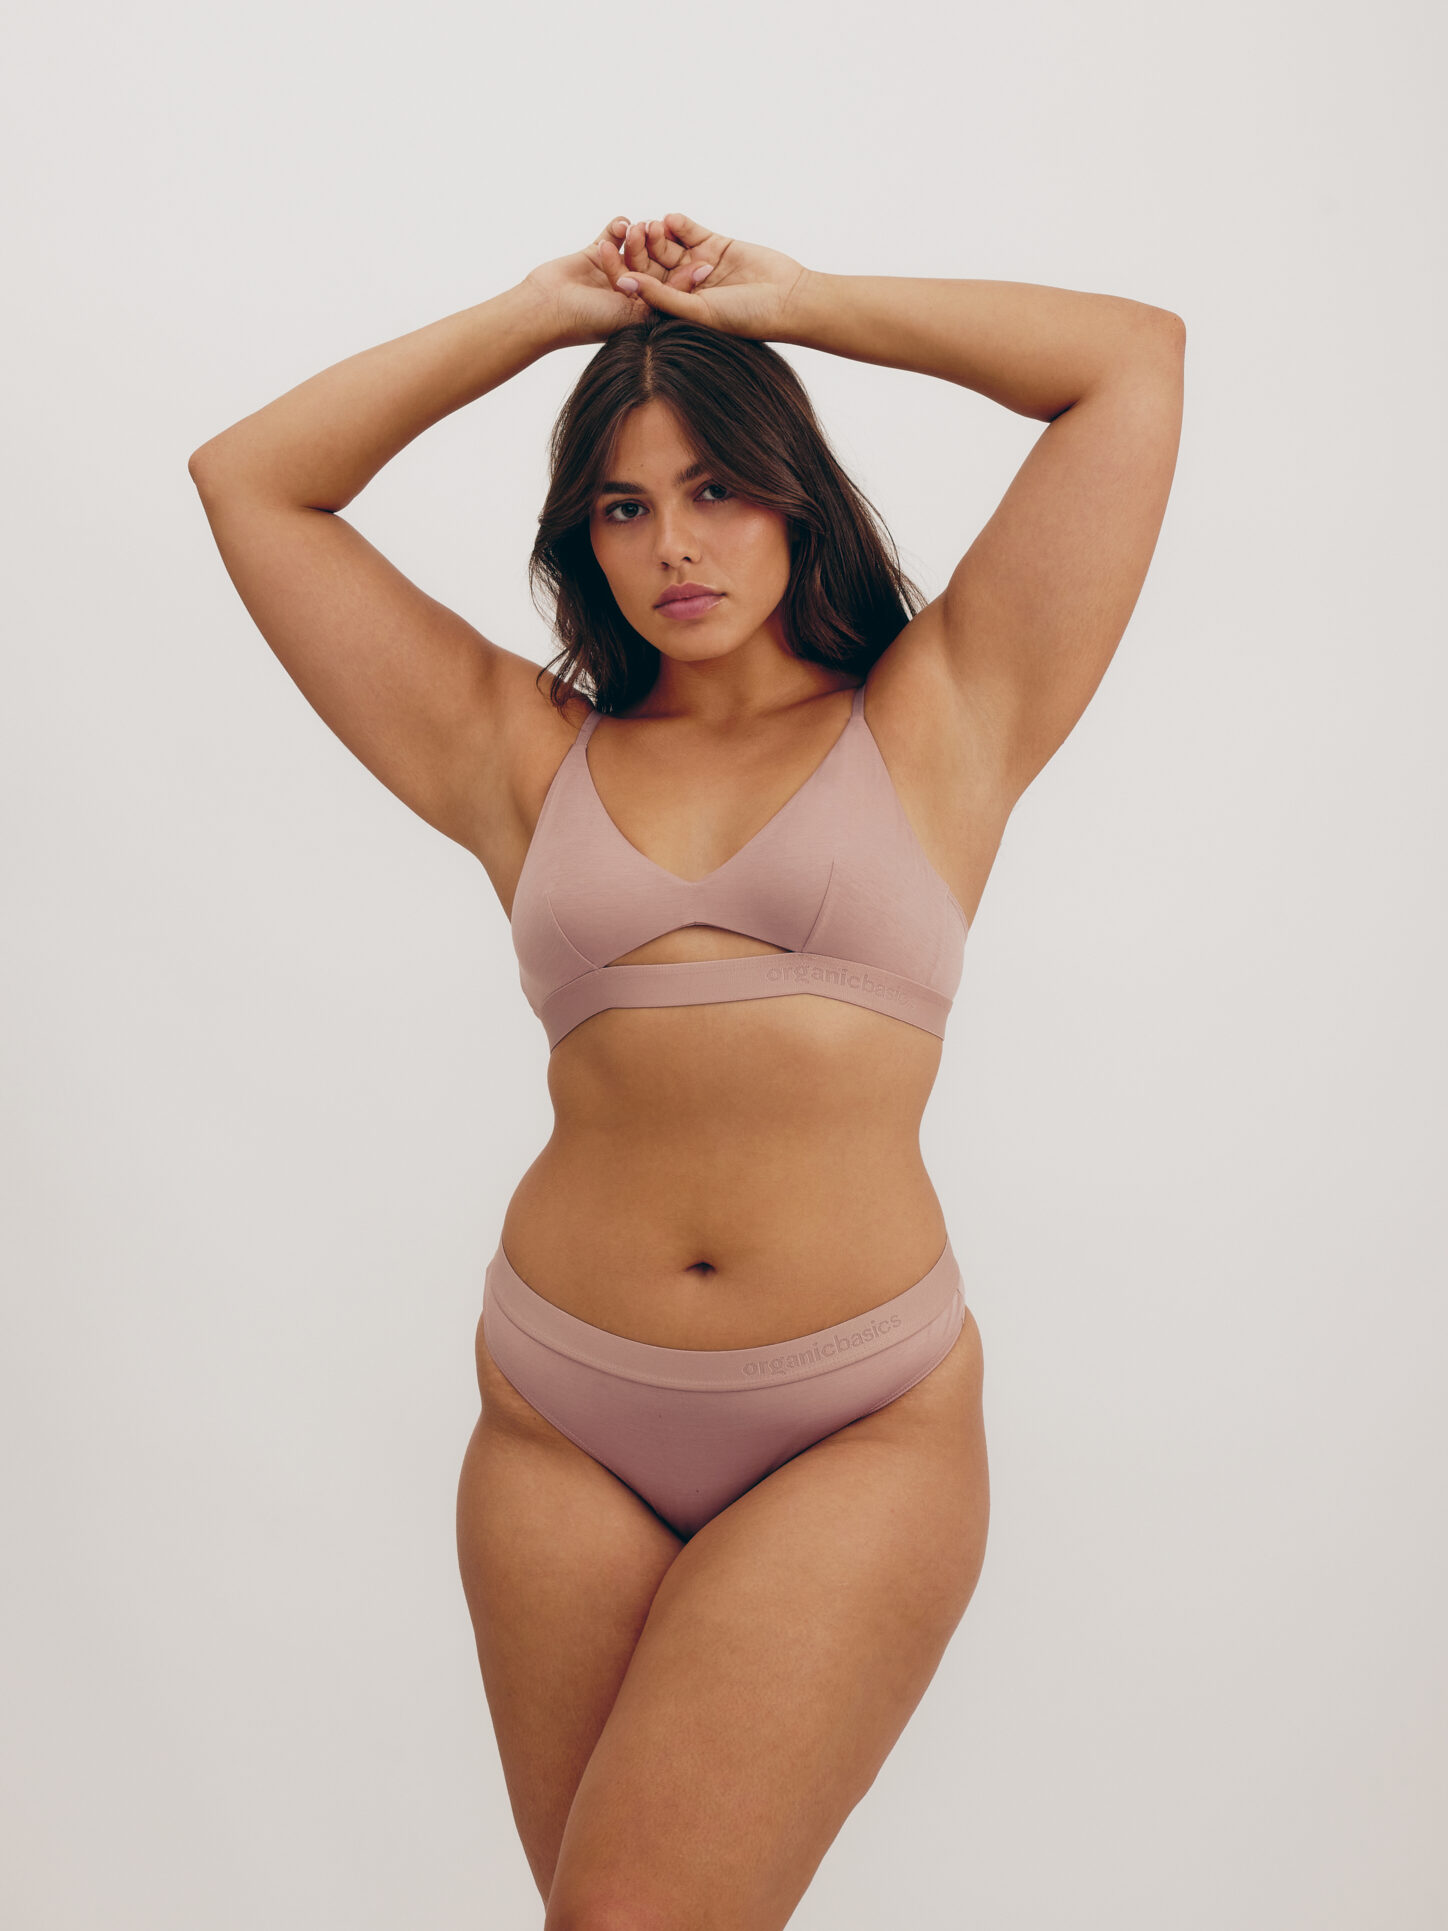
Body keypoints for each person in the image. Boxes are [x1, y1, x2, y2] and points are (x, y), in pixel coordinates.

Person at [188, 211, 1185, 1928]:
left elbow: (1129, 365)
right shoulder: (516, 752)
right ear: (587, 537)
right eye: (626, 505)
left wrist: (795, 305)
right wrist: (537, 315)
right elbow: (250, 480)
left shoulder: (942, 716)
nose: (676, 544)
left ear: (794, 494)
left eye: (719, 487)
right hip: (559, 1418)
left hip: (853, 1420)